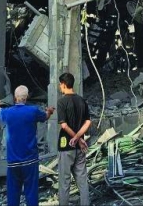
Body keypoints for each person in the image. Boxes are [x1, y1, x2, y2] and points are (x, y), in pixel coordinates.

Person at [0, 86, 54, 206]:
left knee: (13, 195)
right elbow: (45, 116)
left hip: (13, 162)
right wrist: (50, 111)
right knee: (31, 193)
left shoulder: (8, 113)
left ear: (15, 97)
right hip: (30, 161)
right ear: (26, 97)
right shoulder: (33, 111)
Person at [56, 73, 91, 206]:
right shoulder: (82, 100)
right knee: (82, 181)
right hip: (80, 147)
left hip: (66, 146)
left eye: (60, 84)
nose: (60, 86)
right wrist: (79, 138)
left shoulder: (61, 102)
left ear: (64, 84)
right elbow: (88, 122)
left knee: (64, 182)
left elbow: (64, 125)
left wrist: (75, 138)